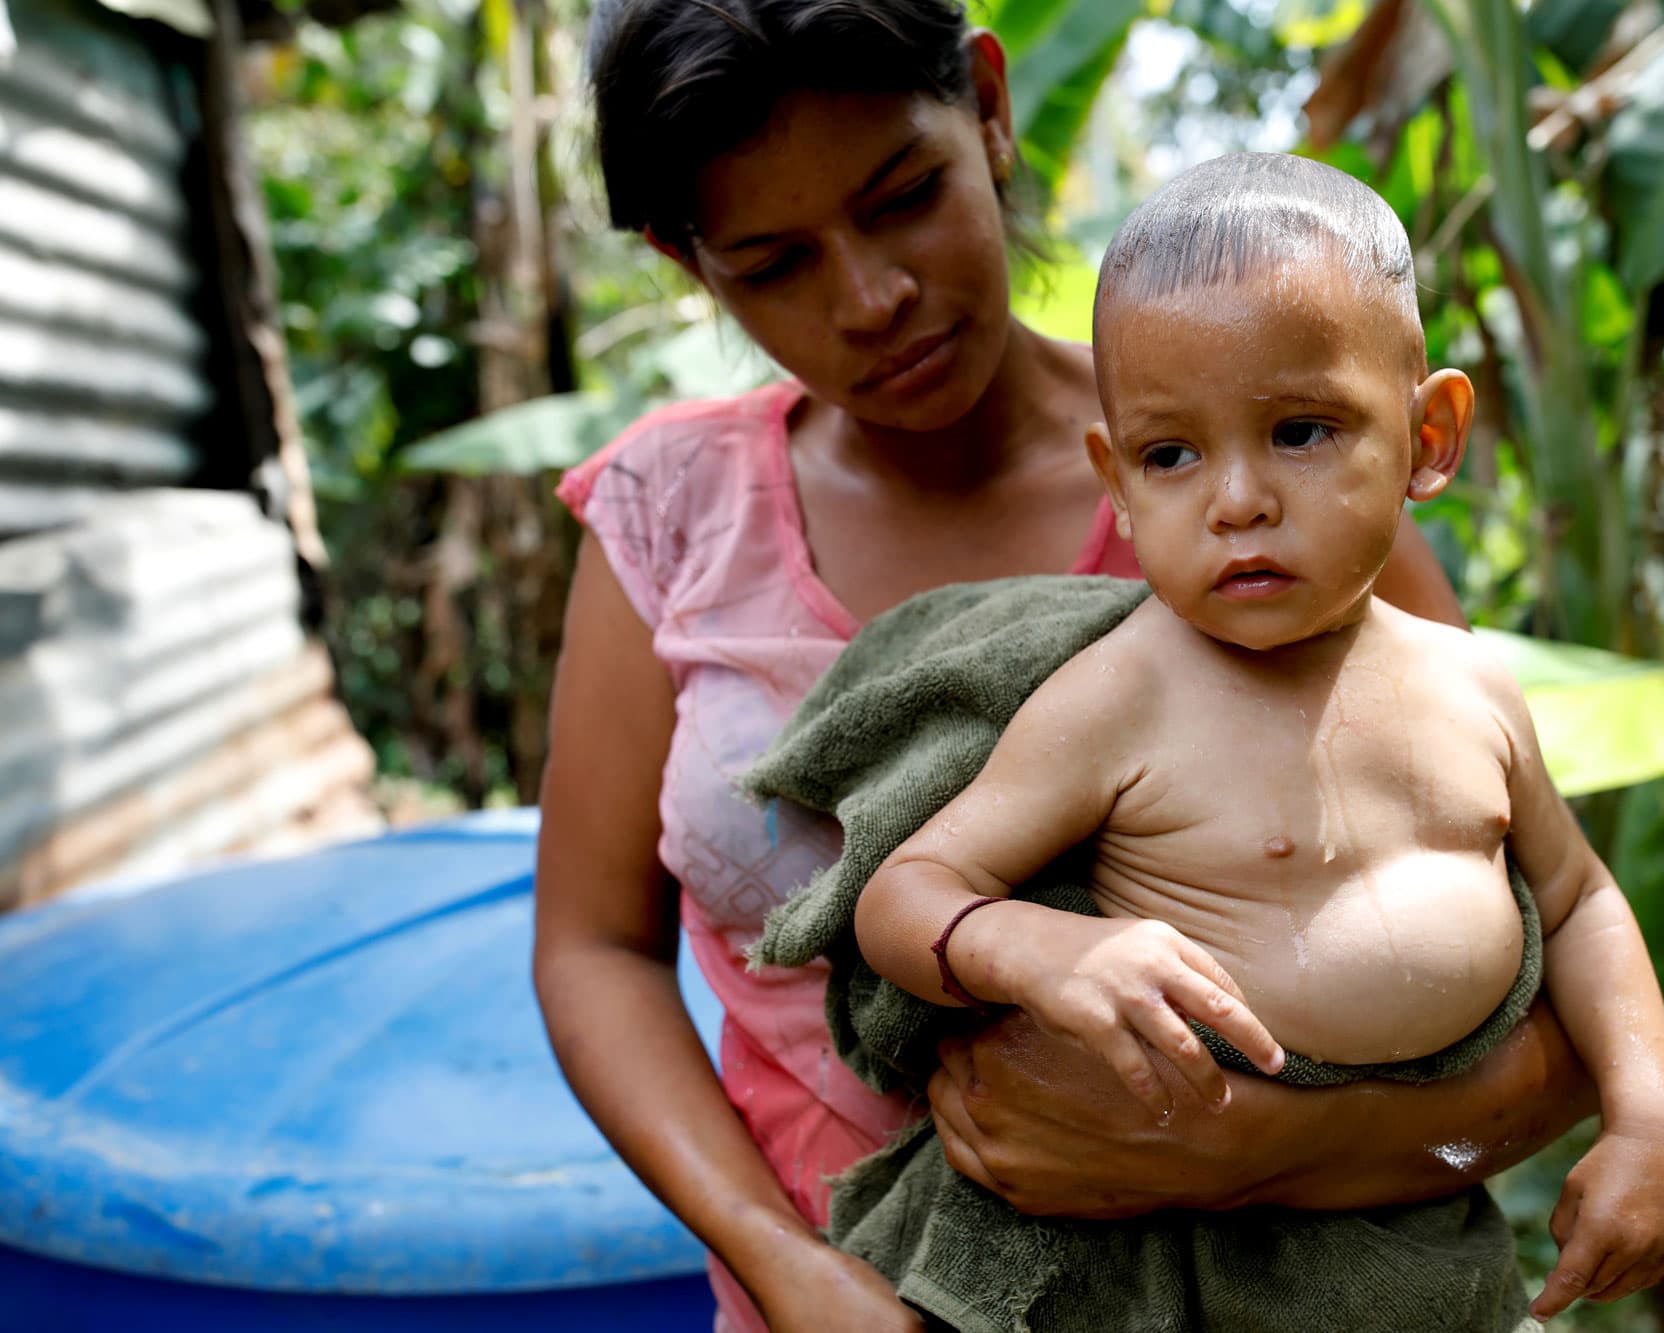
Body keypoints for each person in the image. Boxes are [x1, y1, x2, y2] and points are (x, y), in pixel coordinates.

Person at [532, 3, 1597, 1329]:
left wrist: (1255, 1150)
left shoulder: (1270, 494)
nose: (872, 297)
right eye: (773, 263)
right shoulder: (668, 516)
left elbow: (1556, 1029)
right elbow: (595, 950)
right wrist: (782, 1262)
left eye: (906, 196)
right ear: (689, 267)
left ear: (987, 105)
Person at [850, 152, 1664, 1327]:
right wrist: (1041, 949)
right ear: (1116, 482)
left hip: (1412, 1227)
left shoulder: (1471, 686)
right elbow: (903, 894)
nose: (1234, 500)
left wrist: (1651, 1117)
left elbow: (1579, 900)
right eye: (1170, 455)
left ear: (1428, 436)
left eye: (1300, 430)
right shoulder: (1120, 696)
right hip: (1180, 1264)